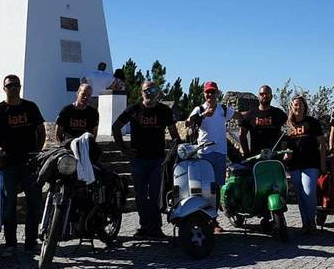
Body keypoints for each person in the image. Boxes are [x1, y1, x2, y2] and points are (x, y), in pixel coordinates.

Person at [0, 74, 46, 256]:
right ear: (4, 88)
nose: (13, 88)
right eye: (10, 85)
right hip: (7, 163)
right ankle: (10, 244)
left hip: (29, 162)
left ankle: (31, 242)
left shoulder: (31, 107)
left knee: (34, 201)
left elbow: (41, 131)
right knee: (9, 204)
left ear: (20, 87)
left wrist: (37, 150)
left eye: (16, 85)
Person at [112, 80, 181, 239]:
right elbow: (116, 127)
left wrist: (180, 148)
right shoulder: (133, 109)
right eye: (146, 90)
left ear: (157, 92)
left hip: (157, 159)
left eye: (152, 90)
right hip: (138, 160)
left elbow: (173, 132)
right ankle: (144, 226)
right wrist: (123, 149)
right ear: (141, 92)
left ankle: (155, 227)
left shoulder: (164, 110)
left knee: (156, 194)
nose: (149, 93)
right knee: (140, 195)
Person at [187, 81, 242, 233]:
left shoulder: (223, 109)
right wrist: (204, 115)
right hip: (204, 153)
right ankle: (203, 219)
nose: (210, 95)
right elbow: (188, 122)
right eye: (207, 92)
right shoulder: (199, 109)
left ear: (217, 93)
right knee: (204, 188)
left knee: (216, 188)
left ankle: (214, 220)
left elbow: (238, 116)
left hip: (220, 153)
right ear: (204, 94)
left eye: (213, 92)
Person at [283, 95, 326, 234]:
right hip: (294, 165)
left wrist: (323, 163)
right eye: (295, 105)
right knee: (300, 195)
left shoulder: (312, 123)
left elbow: (322, 143)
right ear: (291, 107)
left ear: (305, 107)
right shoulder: (288, 125)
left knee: (309, 191)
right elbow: (284, 145)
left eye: (300, 105)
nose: (298, 107)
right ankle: (305, 223)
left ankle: (311, 220)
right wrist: (285, 154)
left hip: (311, 163)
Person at [239, 85, 287, 157]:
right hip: (256, 157)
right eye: (262, 94)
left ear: (271, 96)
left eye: (267, 94)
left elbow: (288, 131)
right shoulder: (250, 114)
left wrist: (284, 152)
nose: (264, 96)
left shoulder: (279, 113)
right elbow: (242, 135)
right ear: (258, 96)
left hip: (275, 156)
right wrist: (247, 154)